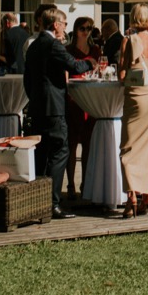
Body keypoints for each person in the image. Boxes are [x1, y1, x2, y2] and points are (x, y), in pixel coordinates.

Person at [23, 7, 90, 219]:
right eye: (64, 24)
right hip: (53, 108)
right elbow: (74, 66)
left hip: (37, 108)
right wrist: (91, 62)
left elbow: (27, 79)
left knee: (41, 154)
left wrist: (34, 99)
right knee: (60, 151)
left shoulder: (33, 45)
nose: (65, 28)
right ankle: (52, 203)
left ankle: (39, 201)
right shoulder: (53, 45)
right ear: (55, 25)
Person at [118, 3, 148, 218]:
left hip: (135, 95)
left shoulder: (128, 40)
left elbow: (122, 74)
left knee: (128, 149)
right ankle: (147, 195)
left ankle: (131, 198)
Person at [64, 16, 100, 199]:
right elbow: (65, 76)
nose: (86, 32)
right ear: (76, 30)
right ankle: (70, 184)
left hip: (90, 100)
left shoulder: (95, 50)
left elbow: (101, 72)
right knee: (71, 145)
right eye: (83, 28)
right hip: (73, 100)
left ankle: (85, 182)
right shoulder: (68, 50)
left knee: (88, 145)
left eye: (89, 29)